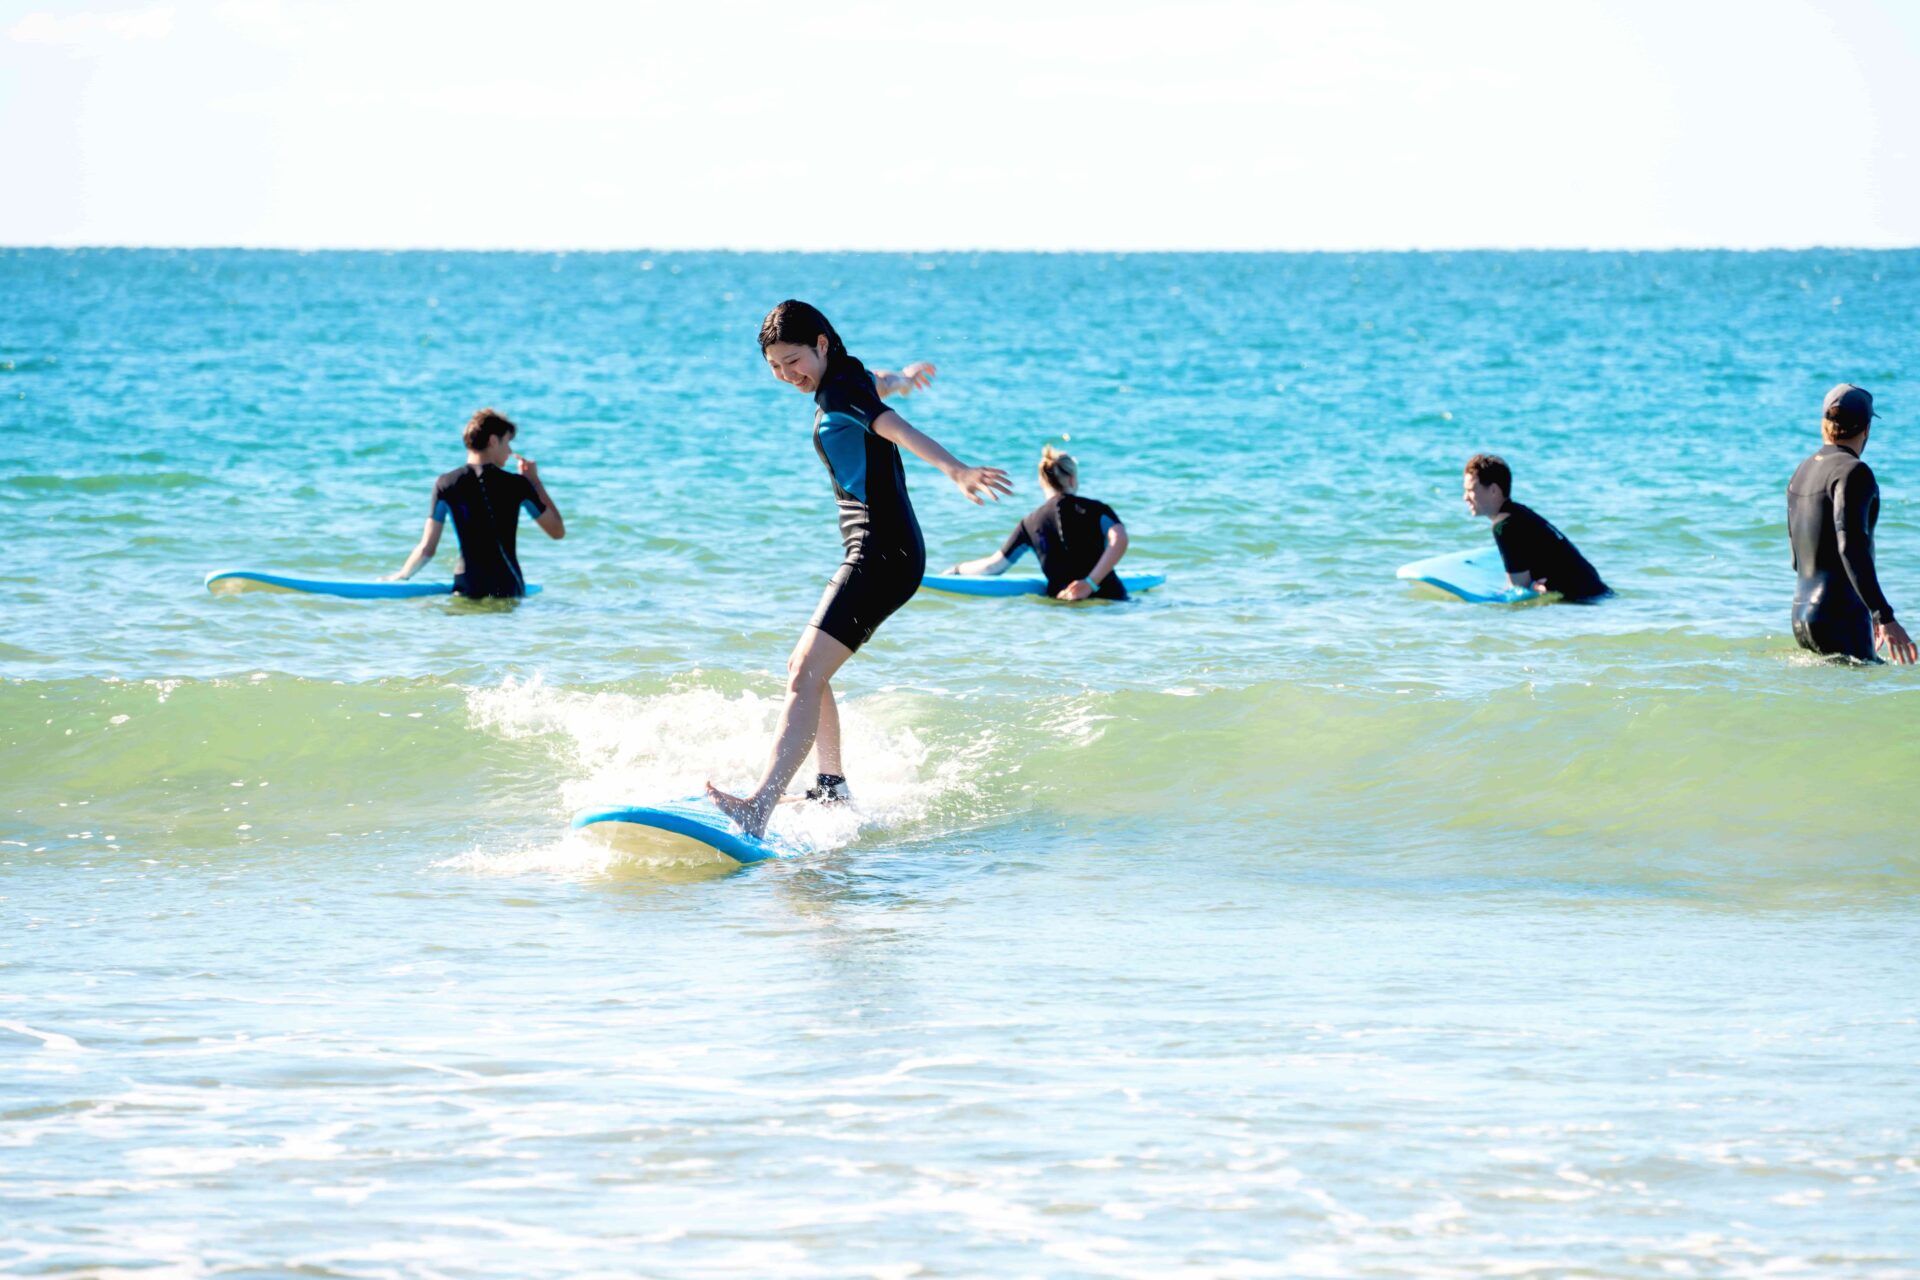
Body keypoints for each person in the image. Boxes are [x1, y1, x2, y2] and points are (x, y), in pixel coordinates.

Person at [706, 300, 1011, 838]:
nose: (786, 376)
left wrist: (957, 470)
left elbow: (898, 429)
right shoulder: (850, 377)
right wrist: (906, 376)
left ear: (822, 344)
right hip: (882, 552)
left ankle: (759, 807)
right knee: (807, 668)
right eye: (775, 368)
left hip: (881, 553)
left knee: (803, 673)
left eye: (793, 361)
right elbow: (883, 385)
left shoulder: (842, 391)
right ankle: (830, 789)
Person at [1787, 384, 1914, 664]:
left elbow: (1797, 558)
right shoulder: (1853, 472)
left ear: (1824, 423)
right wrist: (1882, 615)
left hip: (1801, 615)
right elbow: (1851, 547)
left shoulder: (1803, 470)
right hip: (1840, 614)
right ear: (1866, 429)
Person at [386, 408, 564, 598]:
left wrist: (402, 575)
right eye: (507, 443)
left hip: (467, 586)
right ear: (493, 441)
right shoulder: (517, 485)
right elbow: (557, 531)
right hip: (507, 586)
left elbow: (427, 549)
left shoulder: (445, 483)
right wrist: (534, 481)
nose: (510, 451)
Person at [948, 445, 1132, 600]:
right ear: (1072, 478)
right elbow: (1119, 538)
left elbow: (993, 567)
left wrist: (958, 570)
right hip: (1111, 599)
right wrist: (1090, 583)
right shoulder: (1096, 510)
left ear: (1041, 482)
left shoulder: (1029, 523)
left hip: (1062, 608)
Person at [1462, 454, 1609, 601]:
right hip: (1594, 588)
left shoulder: (1504, 527)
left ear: (1494, 490)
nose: (1465, 497)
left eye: (1471, 490)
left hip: (1582, 598)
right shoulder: (1519, 512)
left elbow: (1519, 589)